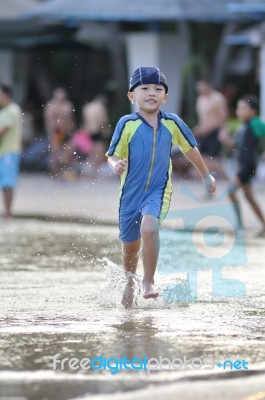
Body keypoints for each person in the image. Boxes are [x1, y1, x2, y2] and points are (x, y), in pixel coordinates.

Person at [106, 67, 216, 308]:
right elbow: (111, 154)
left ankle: (147, 281)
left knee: (149, 225)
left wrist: (206, 176)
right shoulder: (127, 124)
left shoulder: (172, 123)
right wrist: (115, 164)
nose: (151, 93)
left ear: (165, 97)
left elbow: (189, 149)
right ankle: (129, 282)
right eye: (144, 88)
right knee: (130, 248)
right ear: (131, 95)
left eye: (158, 89)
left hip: (158, 189)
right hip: (129, 195)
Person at [218, 95, 265, 237]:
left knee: (231, 191)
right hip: (243, 165)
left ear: (253, 111)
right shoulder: (243, 127)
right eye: (238, 108)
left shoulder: (255, 123)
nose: (239, 111)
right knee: (249, 197)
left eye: (243, 108)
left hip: (248, 165)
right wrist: (226, 140)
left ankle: (239, 226)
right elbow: (237, 147)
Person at [193, 80, 228, 179]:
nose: (199, 90)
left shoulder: (218, 98)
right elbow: (202, 118)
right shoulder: (200, 99)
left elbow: (223, 117)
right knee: (201, 155)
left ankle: (224, 175)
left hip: (214, 131)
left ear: (208, 86)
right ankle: (210, 176)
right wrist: (197, 129)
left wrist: (209, 128)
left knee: (211, 156)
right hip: (203, 132)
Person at [0, 83, 22, 218]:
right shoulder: (3, 111)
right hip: (3, 151)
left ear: (6, 95)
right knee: (4, 182)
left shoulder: (13, 110)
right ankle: (6, 211)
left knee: (8, 182)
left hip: (10, 152)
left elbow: (2, 132)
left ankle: (9, 212)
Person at [44, 88, 75, 176]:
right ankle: (55, 173)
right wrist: (50, 134)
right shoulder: (51, 106)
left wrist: (72, 131)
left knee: (68, 153)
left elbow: (71, 120)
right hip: (56, 131)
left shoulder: (68, 105)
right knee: (55, 153)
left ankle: (64, 172)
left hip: (67, 131)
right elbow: (48, 121)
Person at [82, 95, 110, 174]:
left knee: (92, 150)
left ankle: (90, 169)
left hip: (88, 130)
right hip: (97, 130)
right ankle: (95, 170)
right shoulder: (100, 107)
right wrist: (106, 131)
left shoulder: (87, 107)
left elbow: (85, 120)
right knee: (99, 150)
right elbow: (103, 120)